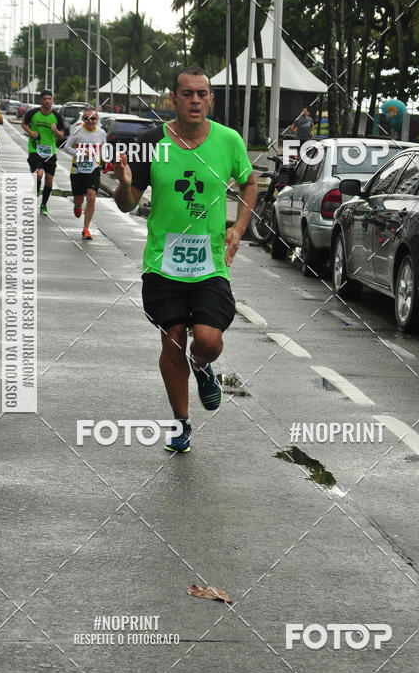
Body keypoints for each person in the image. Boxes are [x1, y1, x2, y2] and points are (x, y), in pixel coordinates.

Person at [113, 66, 257, 453]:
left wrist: (238, 227)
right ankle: (181, 422)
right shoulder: (152, 143)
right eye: (187, 93)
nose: (195, 100)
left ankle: (202, 364)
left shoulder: (228, 141)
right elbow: (127, 205)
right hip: (163, 264)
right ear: (173, 99)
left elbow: (250, 182)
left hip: (210, 263)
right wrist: (124, 186)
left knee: (208, 341)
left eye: (202, 94)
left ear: (210, 99)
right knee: (172, 340)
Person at [63, 107, 108, 240]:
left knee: (91, 197)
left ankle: (86, 228)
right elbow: (66, 147)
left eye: (93, 118)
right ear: (83, 119)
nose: (90, 121)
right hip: (77, 170)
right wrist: (81, 153)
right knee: (79, 200)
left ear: (97, 119)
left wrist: (107, 160)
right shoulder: (77, 131)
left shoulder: (101, 133)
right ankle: (77, 206)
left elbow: (104, 147)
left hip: (93, 170)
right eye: (87, 118)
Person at [21, 90, 64, 216]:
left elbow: (61, 135)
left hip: (50, 151)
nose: (47, 101)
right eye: (44, 99)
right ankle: (36, 187)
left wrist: (55, 131)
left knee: (49, 180)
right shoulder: (33, 113)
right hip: (35, 149)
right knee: (39, 174)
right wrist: (30, 132)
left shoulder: (56, 116)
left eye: (49, 99)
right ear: (41, 100)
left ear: (52, 100)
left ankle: (44, 205)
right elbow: (23, 123)